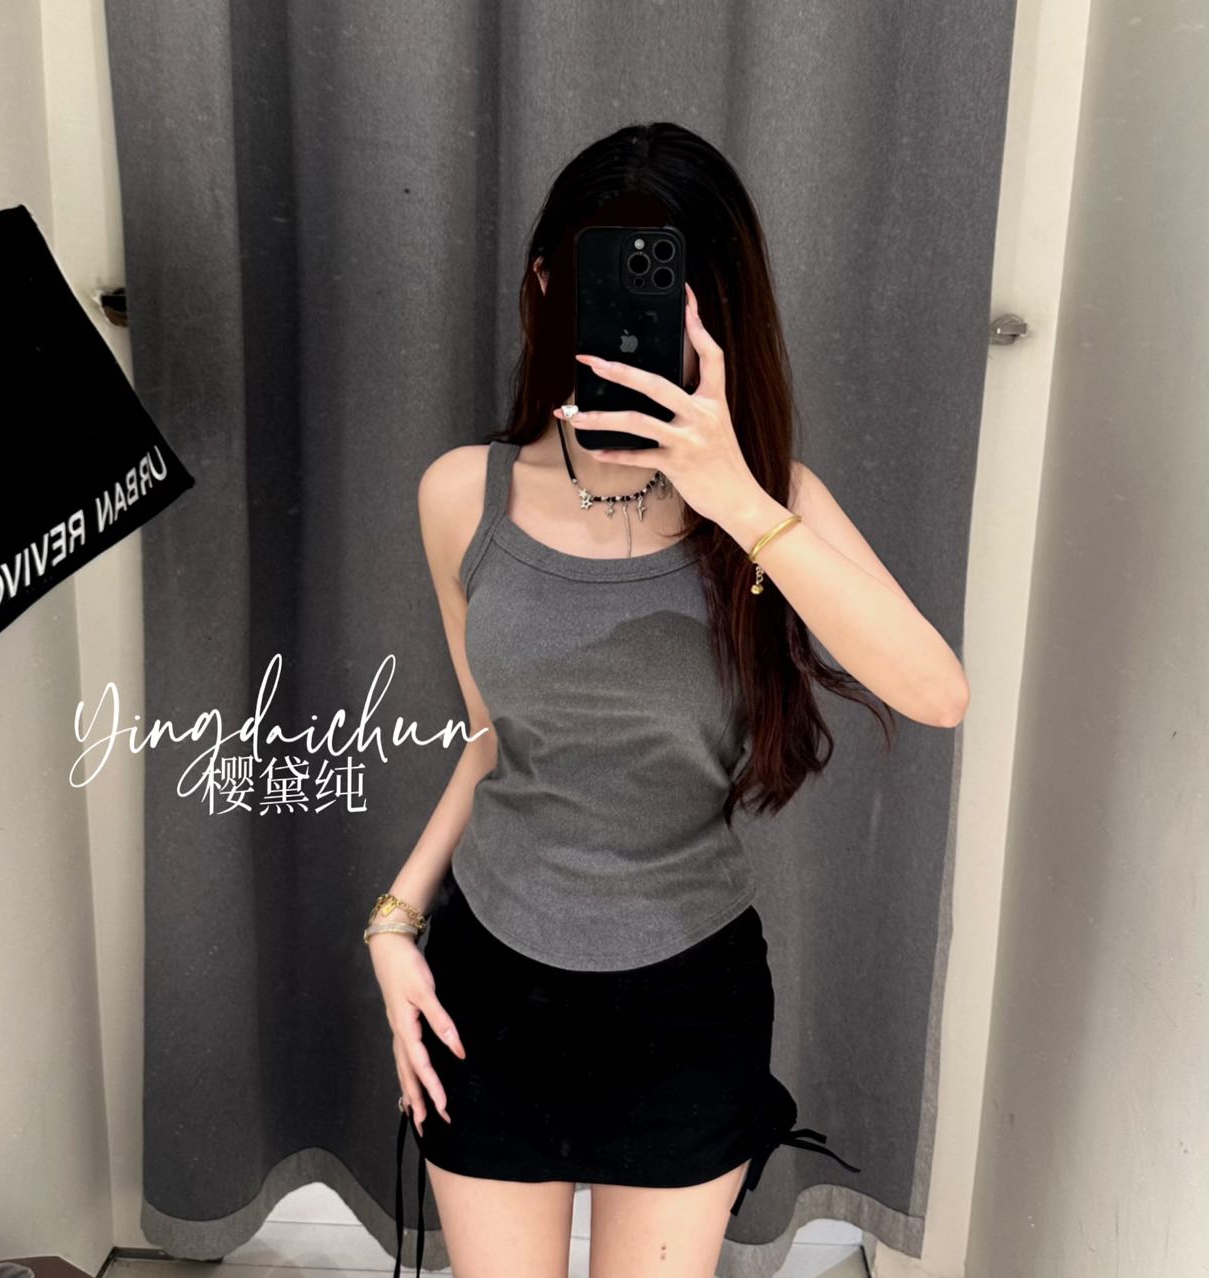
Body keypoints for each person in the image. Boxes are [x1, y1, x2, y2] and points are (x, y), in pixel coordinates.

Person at [365, 120, 970, 1278]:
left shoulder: (772, 506)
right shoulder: (462, 496)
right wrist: (392, 924)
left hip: (686, 1000)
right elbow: (493, 739)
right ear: (548, 287)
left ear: (721, 317)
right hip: (489, 987)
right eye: (605, 286)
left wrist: (734, 495)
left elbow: (937, 693)